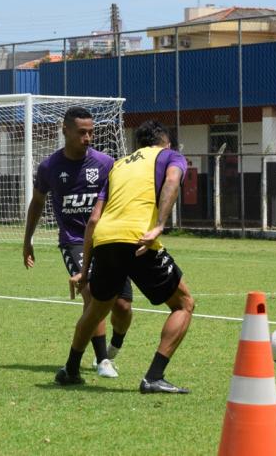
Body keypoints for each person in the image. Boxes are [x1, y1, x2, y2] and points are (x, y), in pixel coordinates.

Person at [56, 120, 195, 394]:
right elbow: (172, 181)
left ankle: (71, 369)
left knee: (97, 308)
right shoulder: (170, 156)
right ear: (165, 142)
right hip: (138, 238)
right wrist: (159, 225)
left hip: (105, 238)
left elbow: (94, 219)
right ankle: (154, 377)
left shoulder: (118, 166)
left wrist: (86, 270)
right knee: (183, 305)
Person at [23, 106, 133, 379]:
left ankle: (113, 348)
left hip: (107, 240)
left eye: (91, 132)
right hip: (73, 241)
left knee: (122, 306)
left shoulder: (106, 163)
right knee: (93, 295)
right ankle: (102, 360)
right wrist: (27, 240)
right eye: (82, 132)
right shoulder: (50, 167)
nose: (88, 138)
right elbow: (37, 203)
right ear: (65, 131)